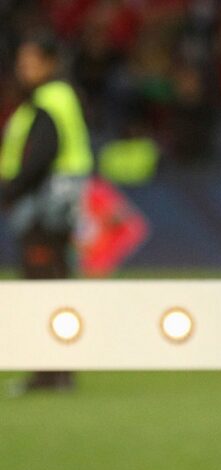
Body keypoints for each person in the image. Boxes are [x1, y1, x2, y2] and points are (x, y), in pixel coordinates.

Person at [1, 32, 93, 393]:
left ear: (51, 63)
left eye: (32, 61)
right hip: (55, 208)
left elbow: (40, 156)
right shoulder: (51, 99)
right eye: (21, 62)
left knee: (43, 288)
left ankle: (51, 373)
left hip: (47, 209)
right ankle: (55, 372)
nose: (24, 68)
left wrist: (10, 191)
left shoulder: (50, 99)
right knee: (51, 284)